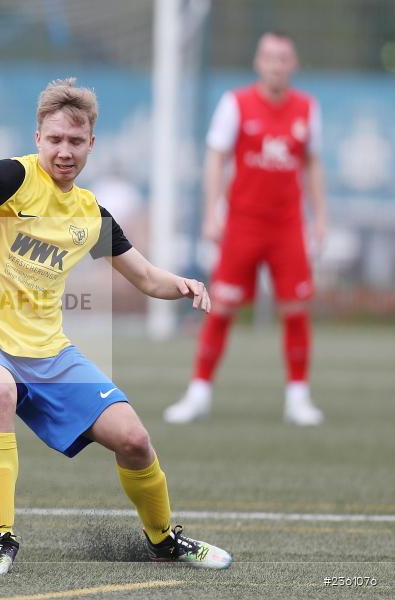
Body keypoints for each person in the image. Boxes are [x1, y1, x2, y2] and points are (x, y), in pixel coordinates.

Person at [0, 78, 231, 575]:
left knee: (134, 440)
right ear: (38, 138)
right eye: (55, 140)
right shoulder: (12, 177)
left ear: (92, 143)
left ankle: (163, 541)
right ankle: (1, 539)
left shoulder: (90, 215)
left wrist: (184, 284)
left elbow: (147, 277)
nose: (64, 151)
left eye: (75, 141)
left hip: (50, 352)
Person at [164, 32, 327, 426]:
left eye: (283, 58)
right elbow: (216, 158)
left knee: (295, 310)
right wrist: (212, 213)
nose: (276, 65)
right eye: (269, 57)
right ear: (258, 62)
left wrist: (321, 217)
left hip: (287, 225)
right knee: (221, 307)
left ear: (293, 64)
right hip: (243, 224)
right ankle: (198, 393)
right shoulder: (236, 104)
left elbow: (312, 164)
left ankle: (298, 398)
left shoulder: (307, 108)